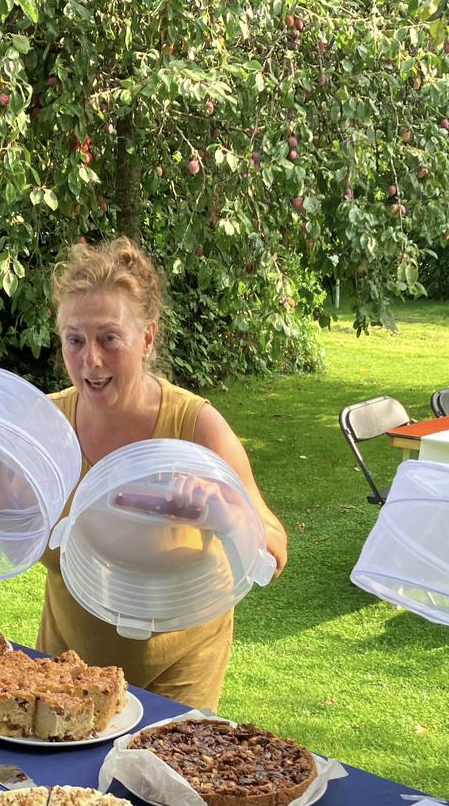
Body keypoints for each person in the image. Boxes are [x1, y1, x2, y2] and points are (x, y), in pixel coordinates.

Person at [35, 237, 288, 710]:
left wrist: (224, 513)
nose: (91, 360)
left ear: (147, 338)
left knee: (164, 761)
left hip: (181, 670)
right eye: (75, 339)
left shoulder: (195, 425)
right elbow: (1, 525)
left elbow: (273, 550)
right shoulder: (43, 428)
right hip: (69, 665)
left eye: (109, 338)